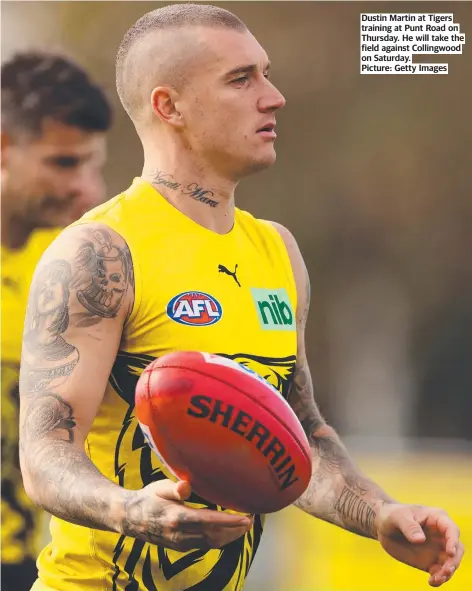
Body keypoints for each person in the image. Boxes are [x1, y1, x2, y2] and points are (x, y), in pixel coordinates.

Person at [18, 5, 464, 591]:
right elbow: (46, 456)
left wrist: (380, 512)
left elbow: (301, 440)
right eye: (241, 79)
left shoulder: (277, 251)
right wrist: (132, 510)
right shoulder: (100, 254)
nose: (274, 97)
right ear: (168, 106)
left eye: (266, 73)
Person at [1, 51, 112, 591]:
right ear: (3, 147)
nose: (87, 190)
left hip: (47, 569)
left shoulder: (79, 267)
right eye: (64, 164)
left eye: (95, 166)